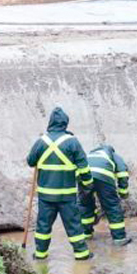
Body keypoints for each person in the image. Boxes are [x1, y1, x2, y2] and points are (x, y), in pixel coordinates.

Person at [27, 107, 94, 261]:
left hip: (46, 196)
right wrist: (88, 184)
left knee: (43, 226)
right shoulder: (72, 142)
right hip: (67, 196)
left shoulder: (41, 141)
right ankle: (82, 254)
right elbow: (84, 167)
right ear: (65, 123)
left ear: (50, 122)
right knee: (74, 225)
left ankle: (40, 254)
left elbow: (30, 162)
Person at [79, 144, 132, 246]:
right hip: (103, 176)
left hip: (83, 176)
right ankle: (119, 238)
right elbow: (122, 173)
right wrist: (123, 192)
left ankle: (86, 234)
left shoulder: (90, 154)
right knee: (112, 207)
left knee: (85, 205)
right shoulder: (113, 155)